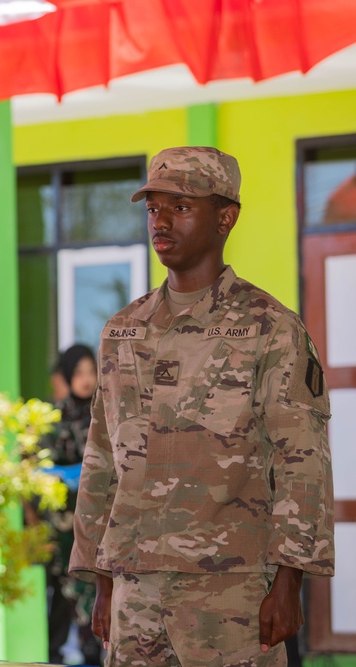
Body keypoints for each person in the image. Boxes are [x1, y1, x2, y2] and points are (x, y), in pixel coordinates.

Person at [69, 146, 334, 666]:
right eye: (152, 208)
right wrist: (98, 575)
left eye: (181, 206)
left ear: (225, 217)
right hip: (134, 587)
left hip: (230, 592)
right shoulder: (122, 330)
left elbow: (301, 459)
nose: (160, 221)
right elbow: (101, 455)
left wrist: (290, 578)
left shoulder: (269, 328)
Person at [41, 344, 101, 666]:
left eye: (92, 371)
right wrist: (63, 475)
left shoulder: (105, 415)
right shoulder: (54, 417)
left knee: (96, 597)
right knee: (63, 600)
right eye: (79, 372)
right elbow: (36, 467)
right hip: (64, 529)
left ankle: (94, 655)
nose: (87, 379)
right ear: (66, 375)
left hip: (100, 527)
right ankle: (55, 658)